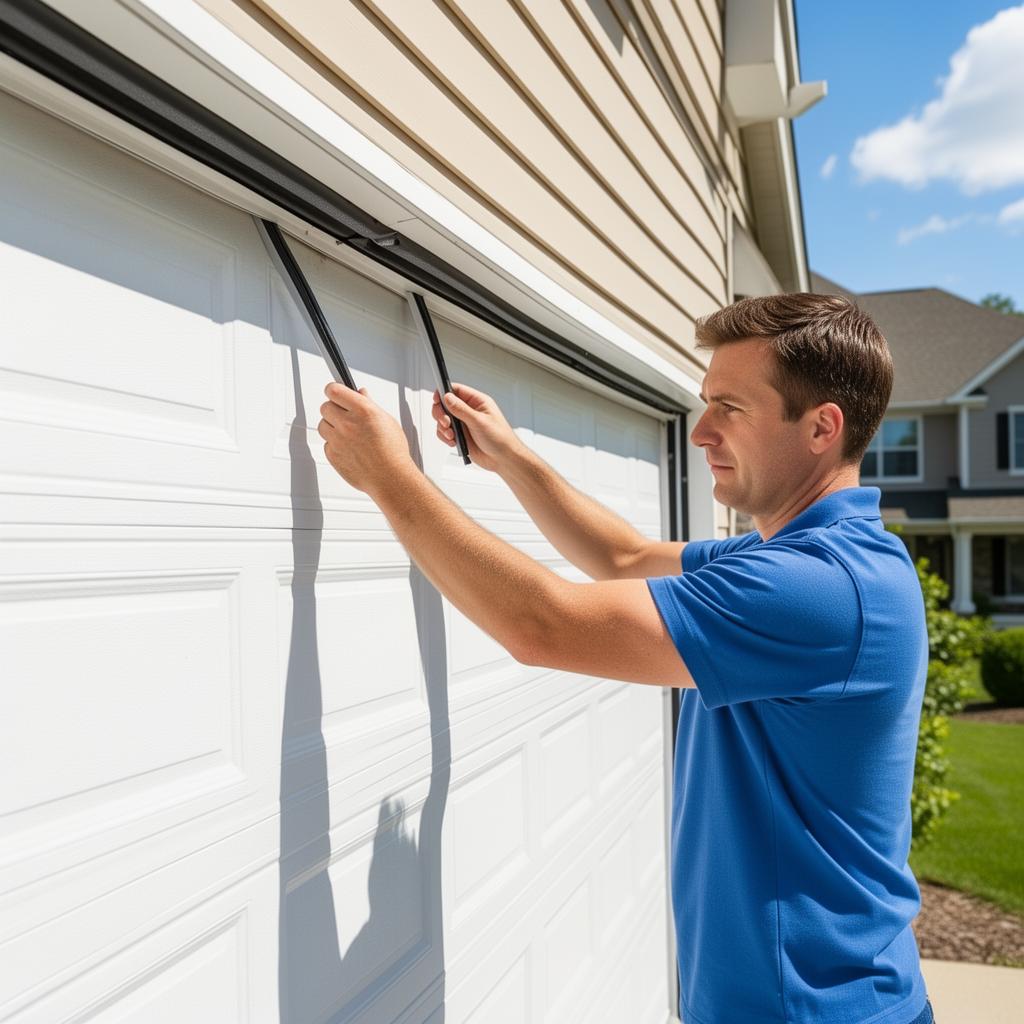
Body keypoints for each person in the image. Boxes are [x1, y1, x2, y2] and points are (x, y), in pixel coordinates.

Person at [317, 292, 936, 1024]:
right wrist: (512, 458)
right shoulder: (802, 557)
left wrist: (388, 477)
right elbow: (625, 556)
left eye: (729, 408)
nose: (702, 431)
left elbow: (539, 625)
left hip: (812, 1010)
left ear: (821, 428)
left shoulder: (820, 588)